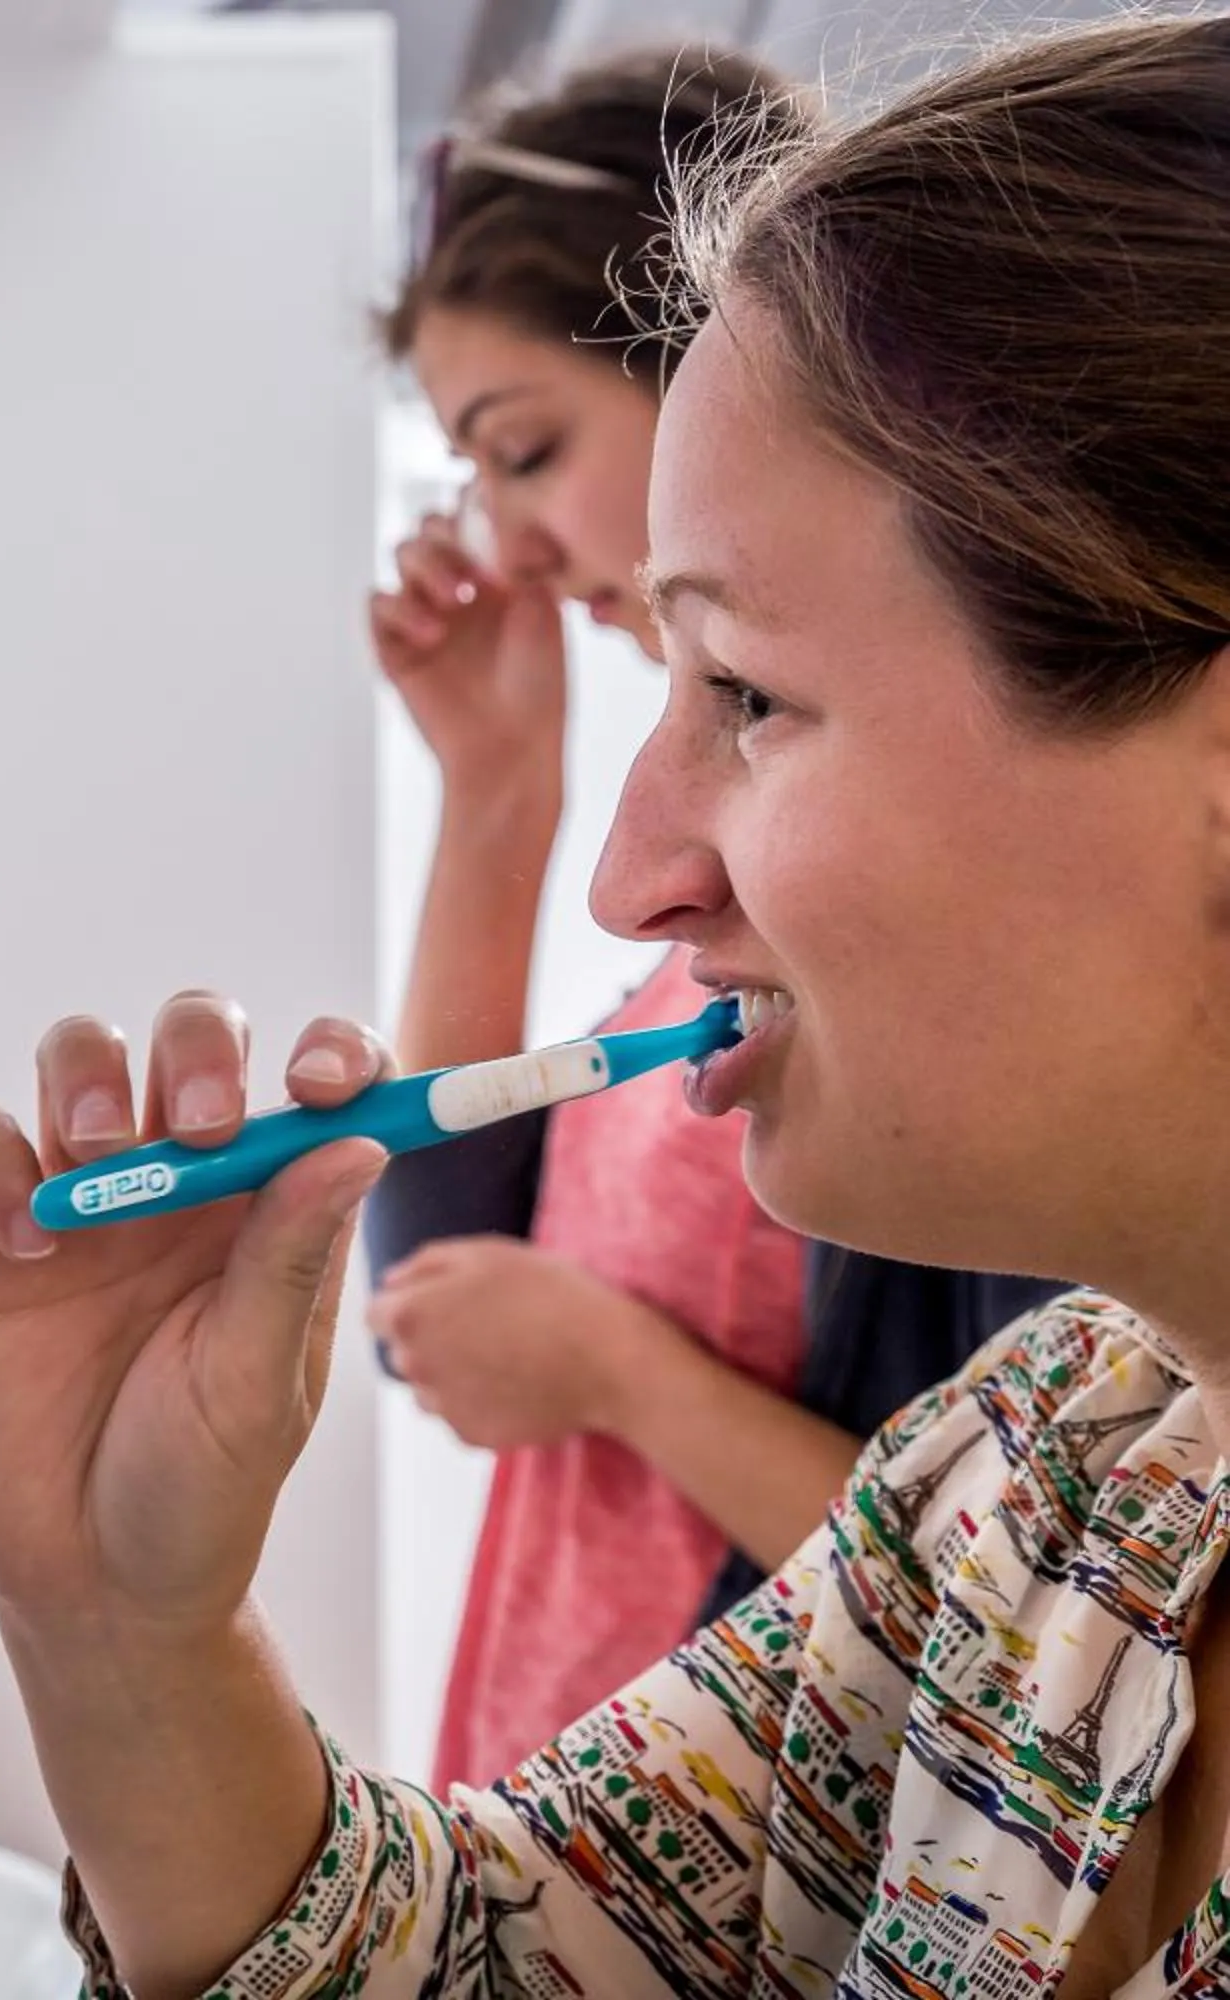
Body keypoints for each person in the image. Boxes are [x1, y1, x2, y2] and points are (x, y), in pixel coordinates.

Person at [0, 16, 1230, 1997]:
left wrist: (620, 1374)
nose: (635, 878)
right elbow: (482, 1957)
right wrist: (115, 1631)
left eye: (749, 697)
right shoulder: (1042, 1476)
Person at [361, 48, 1065, 1794]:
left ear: (709, 370)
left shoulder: (899, 947)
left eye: (524, 452)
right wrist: (493, 784)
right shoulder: (711, 926)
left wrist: (618, 1374)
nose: (507, 546)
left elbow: (1034, 1608)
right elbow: (442, 1255)